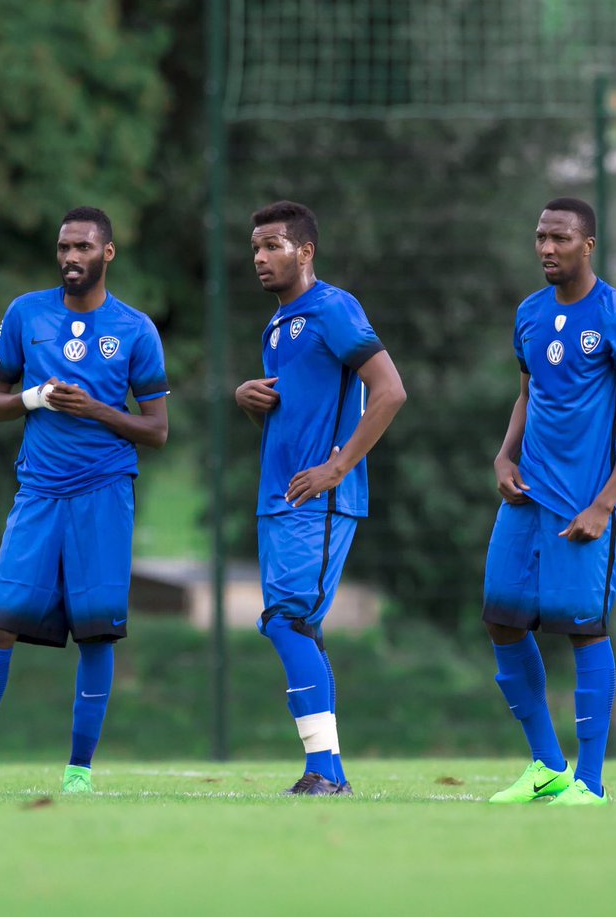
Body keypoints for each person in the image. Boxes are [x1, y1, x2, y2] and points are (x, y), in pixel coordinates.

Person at [0, 206, 169, 795]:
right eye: (63, 248)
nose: (70, 258)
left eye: (83, 247)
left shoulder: (135, 329)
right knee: (0, 621)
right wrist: (35, 397)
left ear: (107, 254)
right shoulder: (25, 314)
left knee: (96, 632)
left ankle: (79, 775)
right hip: (38, 492)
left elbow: (158, 429)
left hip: (105, 493)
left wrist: (97, 411)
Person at [483, 197, 616, 806]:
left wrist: (605, 504)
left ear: (588, 245)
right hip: (525, 497)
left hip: (585, 503)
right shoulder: (530, 314)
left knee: (583, 629)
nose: (546, 249)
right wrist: (505, 458)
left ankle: (590, 783)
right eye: (539, 237)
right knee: (501, 620)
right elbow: (526, 395)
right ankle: (546, 766)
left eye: (559, 238)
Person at [235, 200, 406, 796]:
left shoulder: (333, 308)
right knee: (299, 626)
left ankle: (325, 773)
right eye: (255, 247)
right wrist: (250, 400)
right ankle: (326, 772)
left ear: (305, 252)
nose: (260, 257)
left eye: (273, 245)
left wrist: (338, 468)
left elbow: (389, 391)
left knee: (287, 621)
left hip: (319, 500)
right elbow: (298, 414)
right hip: (278, 496)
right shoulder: (278, 325)